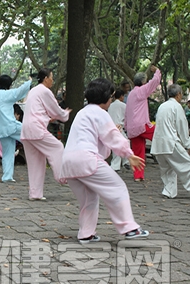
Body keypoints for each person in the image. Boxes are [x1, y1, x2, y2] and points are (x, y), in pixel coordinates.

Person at [61, 78, 149, 243]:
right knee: (118, 188)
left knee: (89, 199)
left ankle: (86, 234)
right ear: (107, 97)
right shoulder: (100, 113)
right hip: (86, 159)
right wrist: (128, 154)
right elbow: (112, 137)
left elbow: (101, 144)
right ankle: (129, 228)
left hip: (68, 163)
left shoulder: (83, 112)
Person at [21, 68, 71, 200]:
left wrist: (49, 119)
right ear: (45, 78)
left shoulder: (33, 91)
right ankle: (62, 176)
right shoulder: (44, 91)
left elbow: (36, 112)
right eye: (51, 78)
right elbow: (55, 109)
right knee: (57, 147)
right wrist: (64, 114)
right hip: (36, 129)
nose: (52, 81)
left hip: (27, 129)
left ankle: (35, 193)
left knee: (36, 162)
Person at [0, 75, 32, 183]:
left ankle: (7, 176)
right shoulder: (5, 94)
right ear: (8, 85)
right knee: (32, 134)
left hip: (1, 130)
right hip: (10, 126)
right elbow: (18, 92)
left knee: (8, 153)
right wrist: (29, 82)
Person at [151, 84, 190, 199]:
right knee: (187, 165)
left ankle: (168, 191)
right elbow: (182, 127)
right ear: (178, 95)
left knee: (167, 169)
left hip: (158, 144)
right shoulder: (176, 107)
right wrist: (188, 144)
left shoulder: (162, 106)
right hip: (170, 143)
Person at [125, 65, 161, 181]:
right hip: (141, 126)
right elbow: (155, 82)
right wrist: (157, 71)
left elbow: (127, 112)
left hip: (132, 128)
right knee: (162, 133)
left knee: (138, 152)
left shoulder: (131, 94)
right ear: (143, 82)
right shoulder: (142, 91)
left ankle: (138, 176)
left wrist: (126, 127)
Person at [108, 89, 130, 171]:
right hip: (119, 127)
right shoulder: (123, 106)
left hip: (111, 127)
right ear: (121, 96)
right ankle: (119, 164)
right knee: (124, 143)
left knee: (117, 145)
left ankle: (122, 162)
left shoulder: (110, 105)